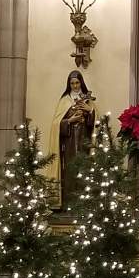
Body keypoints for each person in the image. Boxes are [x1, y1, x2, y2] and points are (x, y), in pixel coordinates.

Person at [44, 70, 96, 208]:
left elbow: (95, 124)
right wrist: (69, 120)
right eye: (72, 83)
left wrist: (90, 111)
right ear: (69, 84)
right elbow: (56, 124)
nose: (75, 86)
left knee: (83, 170)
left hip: (84, 140)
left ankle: (83, 204)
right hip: (69, 142)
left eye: (77, 82)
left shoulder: (88, 100)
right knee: (70, 171)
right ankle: (68, 204)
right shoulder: (64, 101)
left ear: (81, 83)